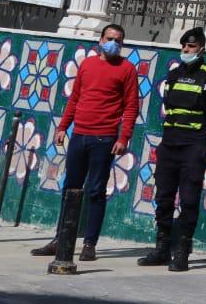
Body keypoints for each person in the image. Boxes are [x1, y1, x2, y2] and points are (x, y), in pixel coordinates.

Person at [30, 23, 139, 261]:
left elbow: (131, 107)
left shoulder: (127, 69)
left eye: (118, 41)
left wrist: (124, 137)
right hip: (79, 135)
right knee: (71, 188)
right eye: (109, 38)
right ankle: (61, 239)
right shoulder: (87, 64)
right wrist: (63, 127)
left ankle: (90, 244)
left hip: (104, 138)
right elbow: (75, 98)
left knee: (96, 191)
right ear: (100, 40)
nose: (113, 43)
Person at [137, 27, 206, 271]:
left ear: (202, 49)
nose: (186, 50)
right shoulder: (174, 73)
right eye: (184, 46)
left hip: (193, 145)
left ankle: (182, 251)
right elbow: (167, 104)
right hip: (169, 143)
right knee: (163, 197)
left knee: (188, 199)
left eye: (192, 46)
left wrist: (202, 131)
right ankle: (162, 248)